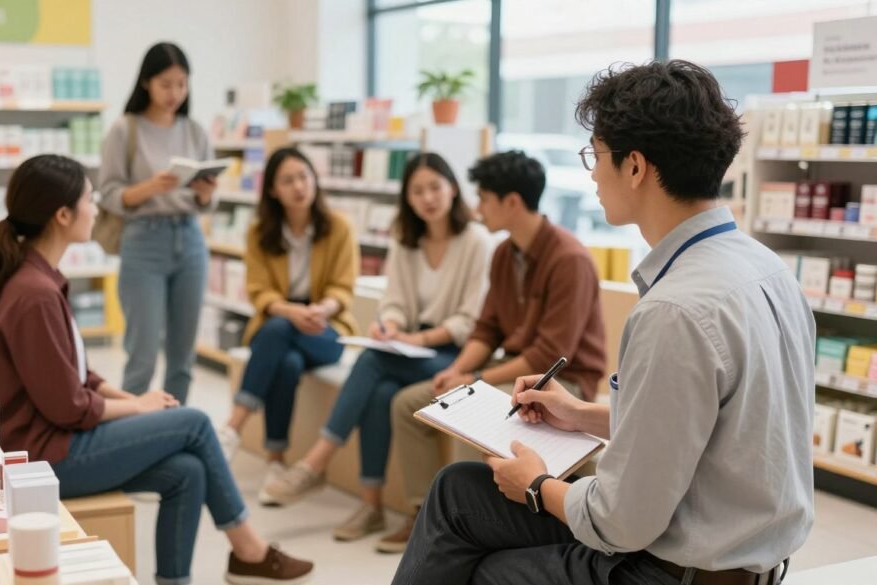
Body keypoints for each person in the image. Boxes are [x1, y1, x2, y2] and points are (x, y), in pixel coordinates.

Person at [393, 60, 815, 585]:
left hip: (670, 569)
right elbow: (704, 427)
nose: (592, 172)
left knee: (485, 569)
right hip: (738, 554)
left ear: (635, 167)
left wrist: (536, 485)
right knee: (458, 489)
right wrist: (579, 414)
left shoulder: (674, 310)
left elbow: (621, 521)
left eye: (597, 154)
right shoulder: (766, 269)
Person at [0, 155, 313, 585]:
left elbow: (75, 372)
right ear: (62, 215)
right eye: (91, 200)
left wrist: (129, 398)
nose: (97, 210)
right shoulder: (35, 292)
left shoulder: (34, 277)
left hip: (45, 445)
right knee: (195, 423)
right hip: (44, 457)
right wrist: (141, 409)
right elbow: (69, 407)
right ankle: (249, 550)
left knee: (187, 472)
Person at [381, 150, 607, 553]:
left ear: (511, 202)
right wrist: (459, 370)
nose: (477, 208)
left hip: (563, 381)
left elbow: (548, 353)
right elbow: (487, 327)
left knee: (483, 415)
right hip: (511, 369)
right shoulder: (504, 253)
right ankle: (421, 515)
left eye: (483, 198)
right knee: (408, 404)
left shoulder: (568, 258)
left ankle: (493, 528)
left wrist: (476, 378)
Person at [261, 153, 492, 543]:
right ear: (408, 198)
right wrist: (390, 326)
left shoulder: (476, 241)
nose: (428, 197)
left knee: (371, 362)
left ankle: (317, 462)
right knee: (382, 389)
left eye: (435, 186)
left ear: (453, 188)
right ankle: (371, 506)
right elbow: (395, 300)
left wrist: (415, 340)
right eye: (417, 190)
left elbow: (470, 321)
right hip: (410, 349)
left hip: (456, 354)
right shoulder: (406, 239)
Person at [217, 147, 359, 497]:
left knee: (279, 333)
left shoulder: (338, 227)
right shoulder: (259, 233)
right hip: (282, 321)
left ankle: (233, 427)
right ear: (272, 190)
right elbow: (259, 292)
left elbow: (344, 287)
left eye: (304, 177)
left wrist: (320, 310)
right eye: (288, 180)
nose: (299, 186)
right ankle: (276, 461)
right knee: (288, 361)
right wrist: (292, 312)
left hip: (327, 329)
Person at [98, 41, 217, 404]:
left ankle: (175, 430)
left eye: (182, 84)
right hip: (143, 241)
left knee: (183, 357)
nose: (175, 93)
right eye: (166, 84)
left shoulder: (195, 131)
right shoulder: (125, 129)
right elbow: (107, 194)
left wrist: (205, 192)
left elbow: (209, 204)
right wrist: (151, 187)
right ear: (146, 82)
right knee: (143, 355)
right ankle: (130, 435)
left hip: (190, 239)